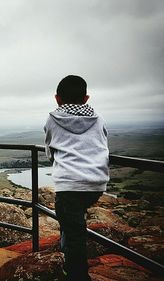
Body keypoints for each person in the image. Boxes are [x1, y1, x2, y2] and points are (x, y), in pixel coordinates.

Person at [44, 75, 110, 281]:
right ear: (86, 98)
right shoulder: (98, 118)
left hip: (70, 184)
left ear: (57, 98)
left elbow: (49, 151)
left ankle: (76, 274)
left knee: (74, 233)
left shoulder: (53, 119)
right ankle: (68, 255)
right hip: (97, 183)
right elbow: (103, 143)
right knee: (72, 222)